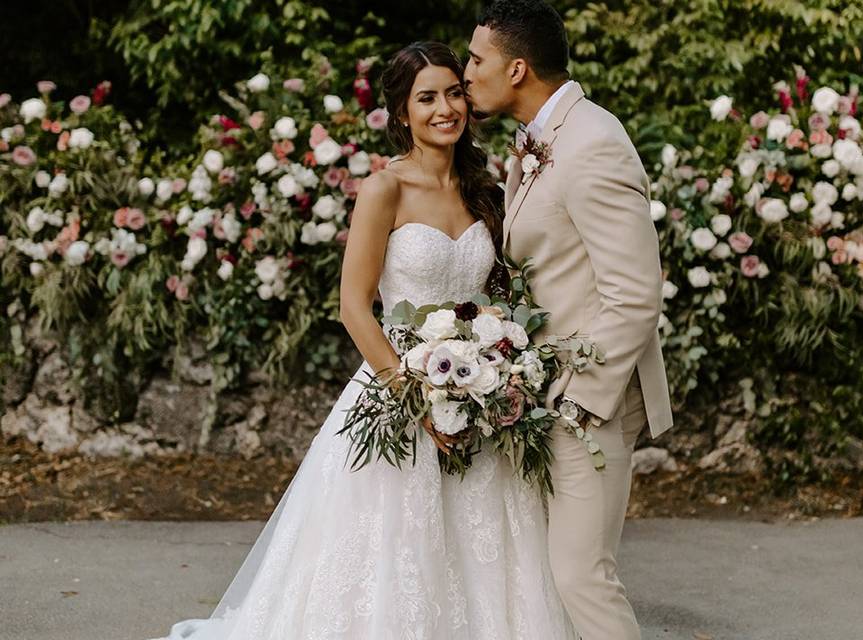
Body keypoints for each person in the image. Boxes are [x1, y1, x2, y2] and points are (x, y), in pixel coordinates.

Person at [150, 41, 577, 640]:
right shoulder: (385, 190)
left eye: (455, 92)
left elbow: (501, 296)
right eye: (426, 97)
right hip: (397, 390)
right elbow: (354, 307)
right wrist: (416, 397)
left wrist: (498, 363)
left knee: (487, 546)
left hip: (480, 390)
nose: (445, 108)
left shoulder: (487, 188)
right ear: (401, 113)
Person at [463, 1, 675, 638]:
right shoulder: (538, 141)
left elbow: (636, 293)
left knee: (583, 574)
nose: (467, 73)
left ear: (518, 68)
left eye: (477, 60)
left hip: (591, 402)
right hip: (542, 391)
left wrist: (578, 402)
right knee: (550, 573)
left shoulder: (592, 144)